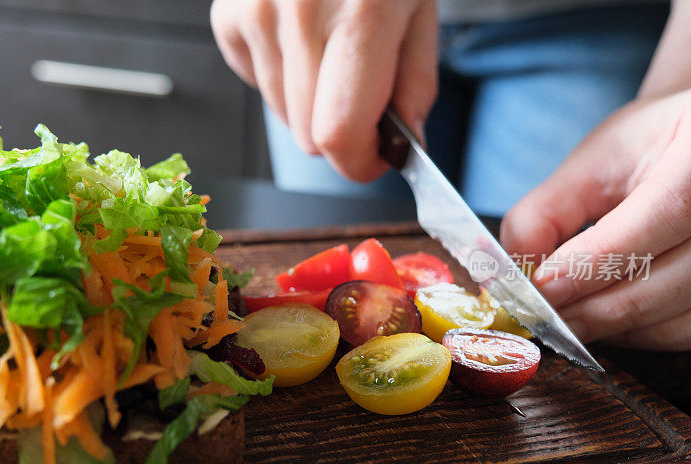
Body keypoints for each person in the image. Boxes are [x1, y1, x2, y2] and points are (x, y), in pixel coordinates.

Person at [210, 0, 691, 351]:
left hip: (600, 22)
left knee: (597, 275)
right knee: (322, 215)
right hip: (327, 17)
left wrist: (676, 91)